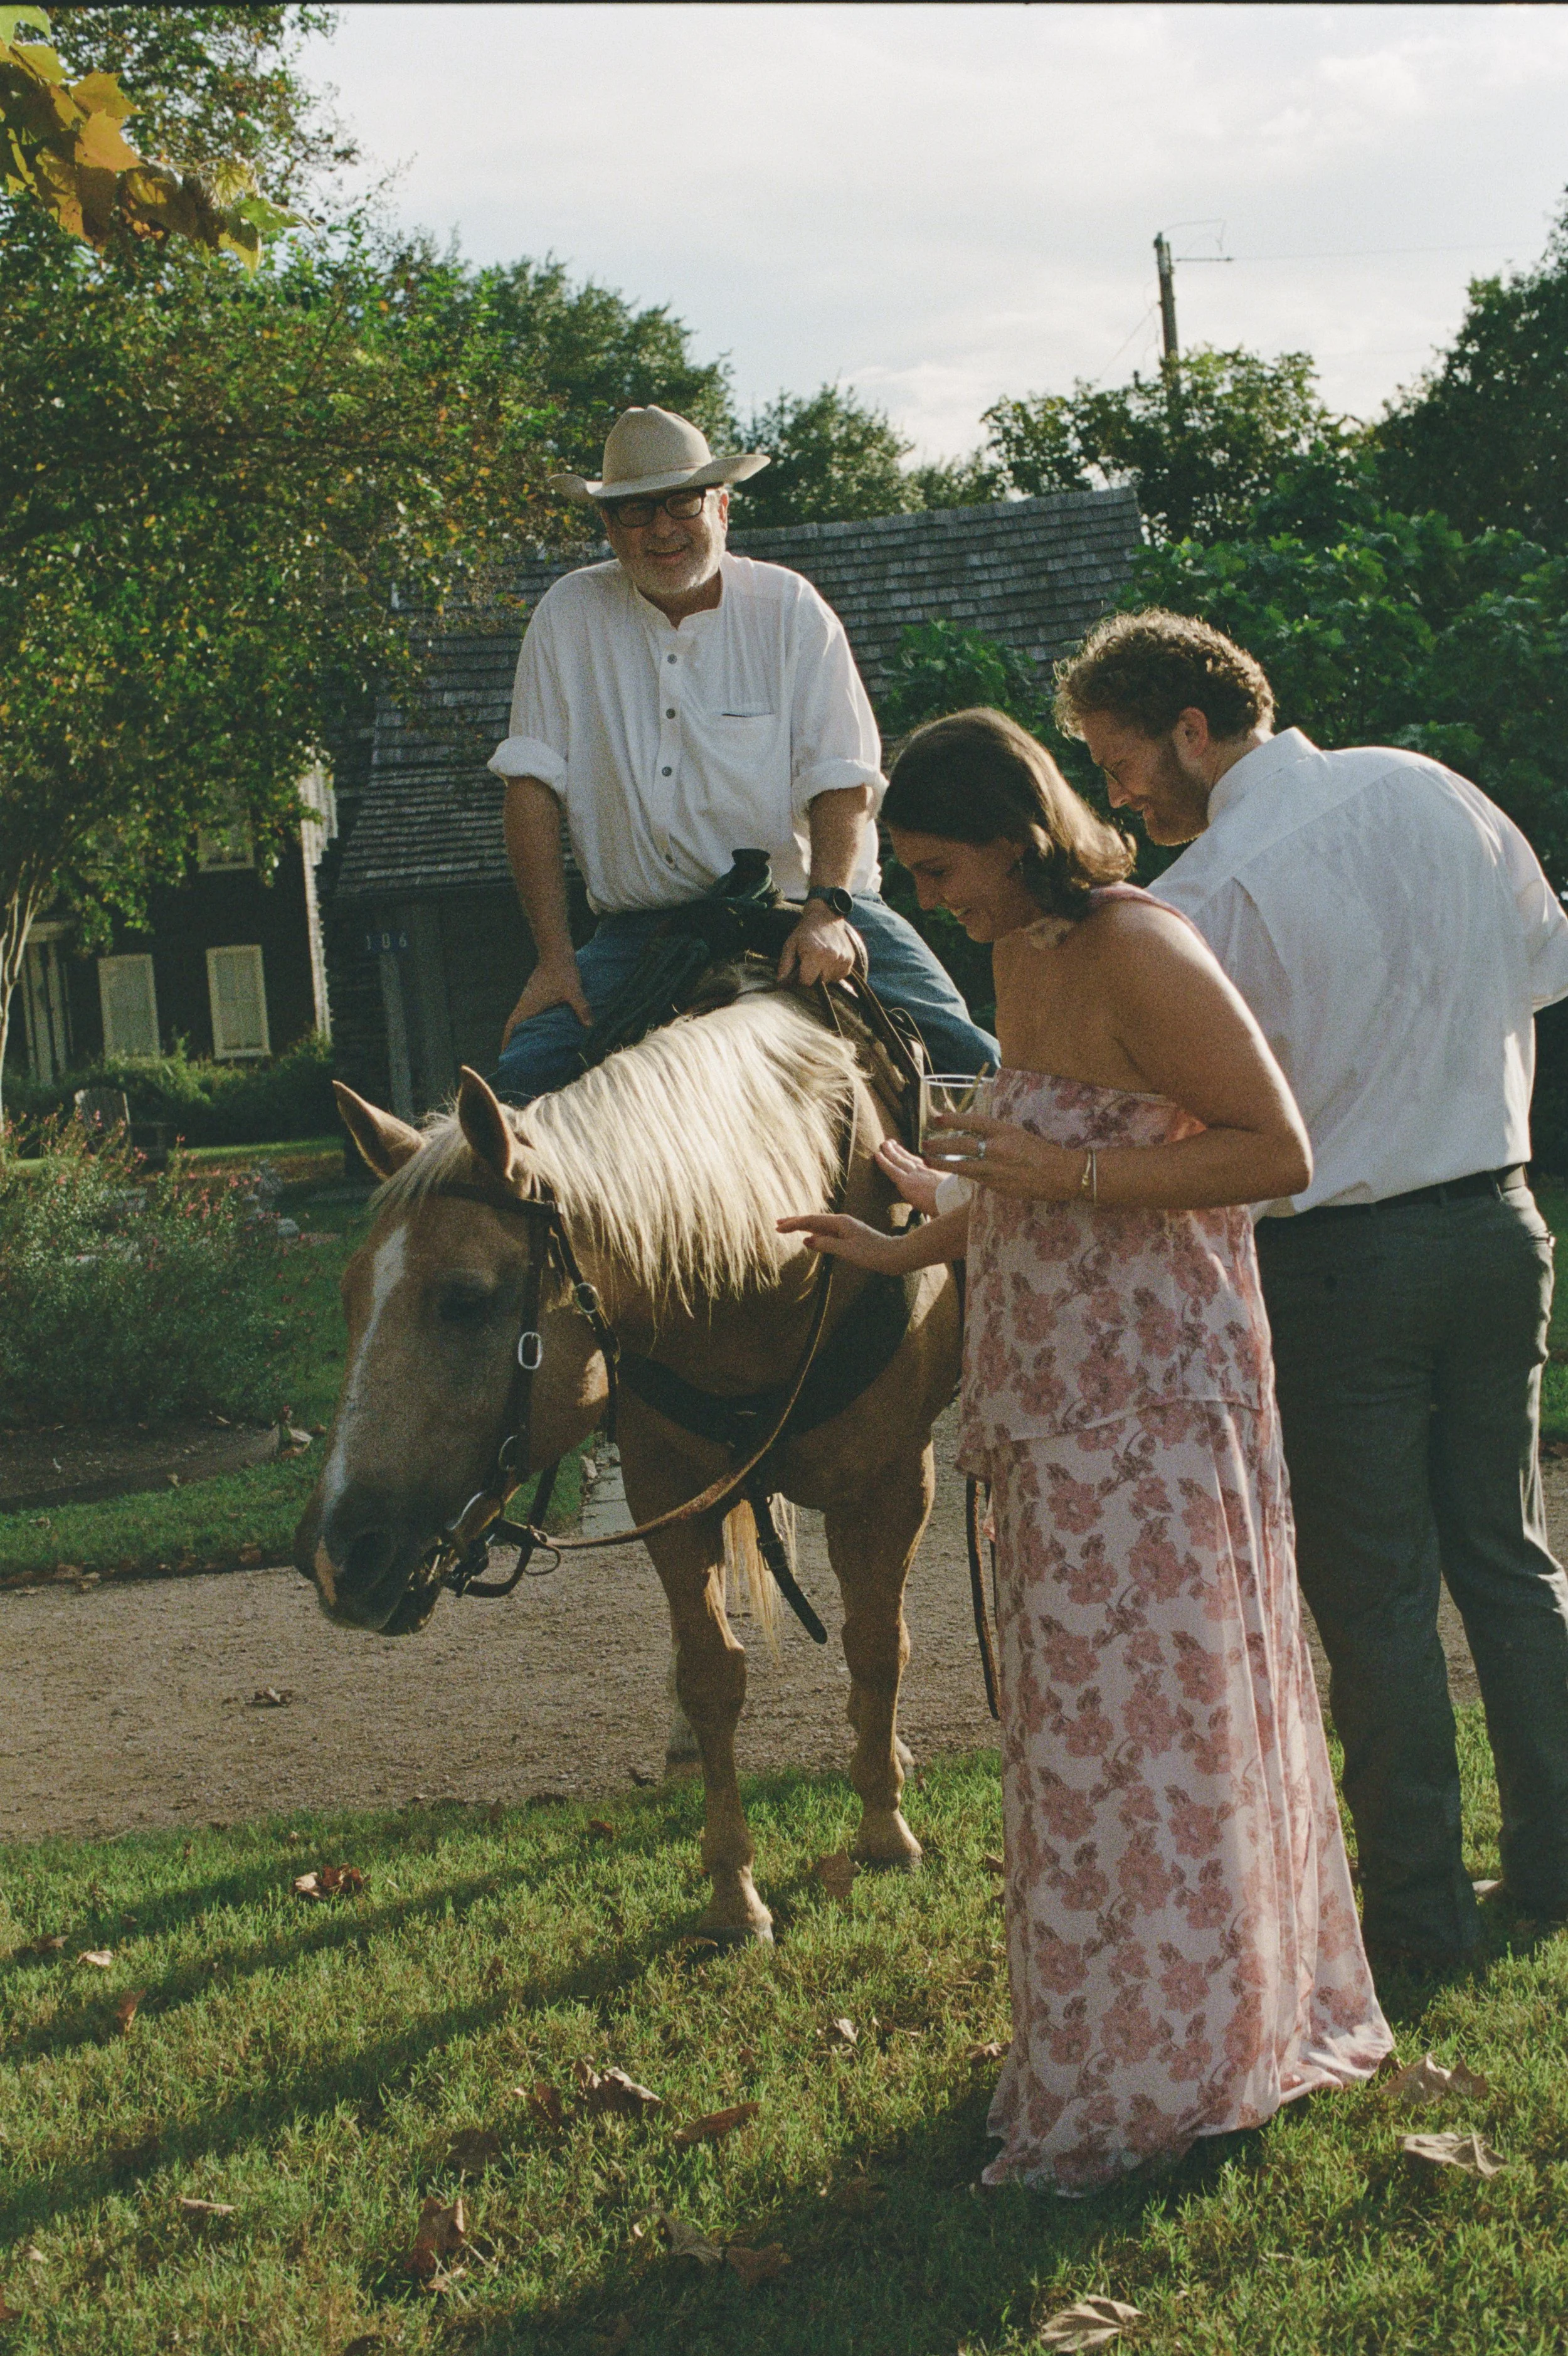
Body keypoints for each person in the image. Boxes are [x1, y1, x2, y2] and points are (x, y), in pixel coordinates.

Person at [780, 708, 1391, 2195]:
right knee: (1079, 1748)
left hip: (1160, 1411)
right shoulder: (1019, 954)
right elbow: (1021, 1182)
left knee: (1163, 1737)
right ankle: (1113, 2042)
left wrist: (1075, 1170)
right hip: (1053, 1414)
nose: (934, 900)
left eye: (940, 868)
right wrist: (908, 1232)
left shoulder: (1137, 943)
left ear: (1011, 833)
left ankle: (1203, 2051)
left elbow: (1275, 1149)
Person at [1054, 608, 1568, 1968]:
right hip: (1500, 1221)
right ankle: (1555, 1868)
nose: (1117, 793)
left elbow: (1177, 1113)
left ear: (1190, 724)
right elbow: (1539, 971)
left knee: (1379, 1599)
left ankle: (1418, 1920)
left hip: (1341, 1261)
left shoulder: (1205, 896)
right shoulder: (1433, 787)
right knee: (1511, 1564)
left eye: (1118, 758)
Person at [487, 404, 997, 1098]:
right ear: (608, 526)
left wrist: (828, 911)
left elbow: (841, 778)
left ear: (721, 505)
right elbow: (530, 789)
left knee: (969, 1063)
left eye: (682, 502)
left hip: (797, 903)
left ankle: (1020, 1193)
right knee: (523, 1085)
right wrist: (552, 957)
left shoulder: (790, 608)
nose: (662, 528)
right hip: (643, 927)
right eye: (635, 511)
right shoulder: (567, 615)